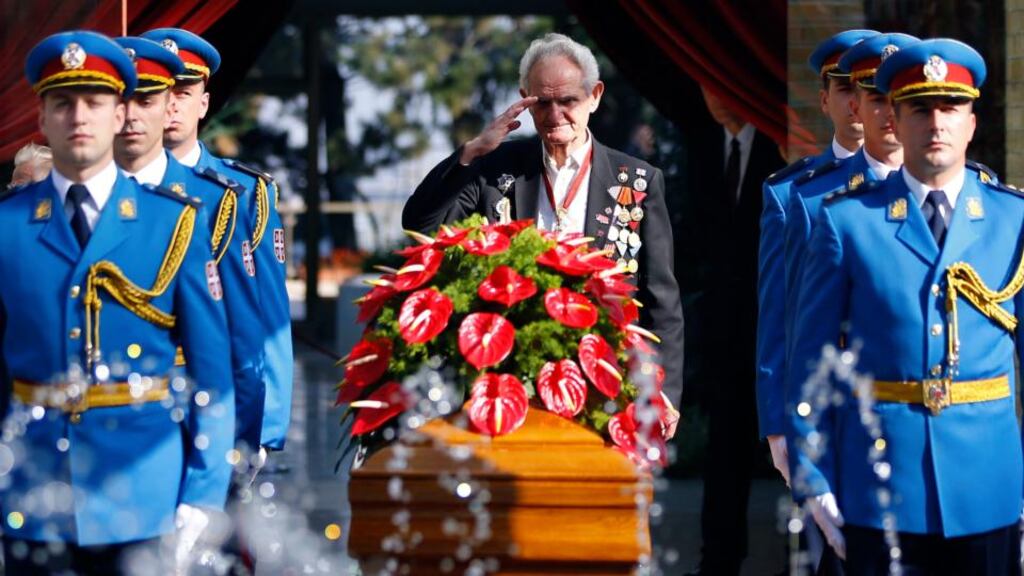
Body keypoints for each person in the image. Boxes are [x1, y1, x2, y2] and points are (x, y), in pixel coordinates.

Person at [0, 30, 234, 574]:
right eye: (63, 102)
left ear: (118, 113)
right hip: (32, 499)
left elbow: (212, 374)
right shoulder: (8, 227)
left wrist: (201, 494)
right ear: (41, 117)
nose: (79, 116)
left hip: (145, 494)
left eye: (95, 102)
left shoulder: (173, 221)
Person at [788, 38, 1022, 574]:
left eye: (950, 108)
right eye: (920, 108)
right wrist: (814, 475)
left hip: (990, 484)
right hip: (879, 484)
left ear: (971, 122)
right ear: (893, 116)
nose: (936, 123)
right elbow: (810, 362)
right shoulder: (847, 221)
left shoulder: (1014, 221)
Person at [402, 33, 685, 421]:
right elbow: (420, 224)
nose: (554, 116)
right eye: (542, 103)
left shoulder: (636, 180)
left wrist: (662, 393)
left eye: (567, 101)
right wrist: (471, 152)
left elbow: (661, 299)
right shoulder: (495, 168)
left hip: (606, 376)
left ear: (594, 96)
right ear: (524, 98)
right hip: (511, 376)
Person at [141, 27, 293, 457]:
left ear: (204, 103)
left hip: (212, 396)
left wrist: (265, 432)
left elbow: (270, 320)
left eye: (185, 92)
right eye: (160, 90)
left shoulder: (241, 193)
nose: (171, 103)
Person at [756, 29, 877, 485]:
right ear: (825, 101)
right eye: (846, 88)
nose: (857, 101)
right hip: (829, 408)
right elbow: (777, 316)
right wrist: (776, 425)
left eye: (871, 88)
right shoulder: (793, 193)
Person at [684, 84, 784, 576]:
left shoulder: (781, 148)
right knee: (724, 453)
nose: (720, 98)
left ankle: (804, 559)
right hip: (724, 335)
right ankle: (718, 561)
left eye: (726, 85)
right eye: (709, 89)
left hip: (780, 330)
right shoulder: (701, 148)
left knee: (792, 449)